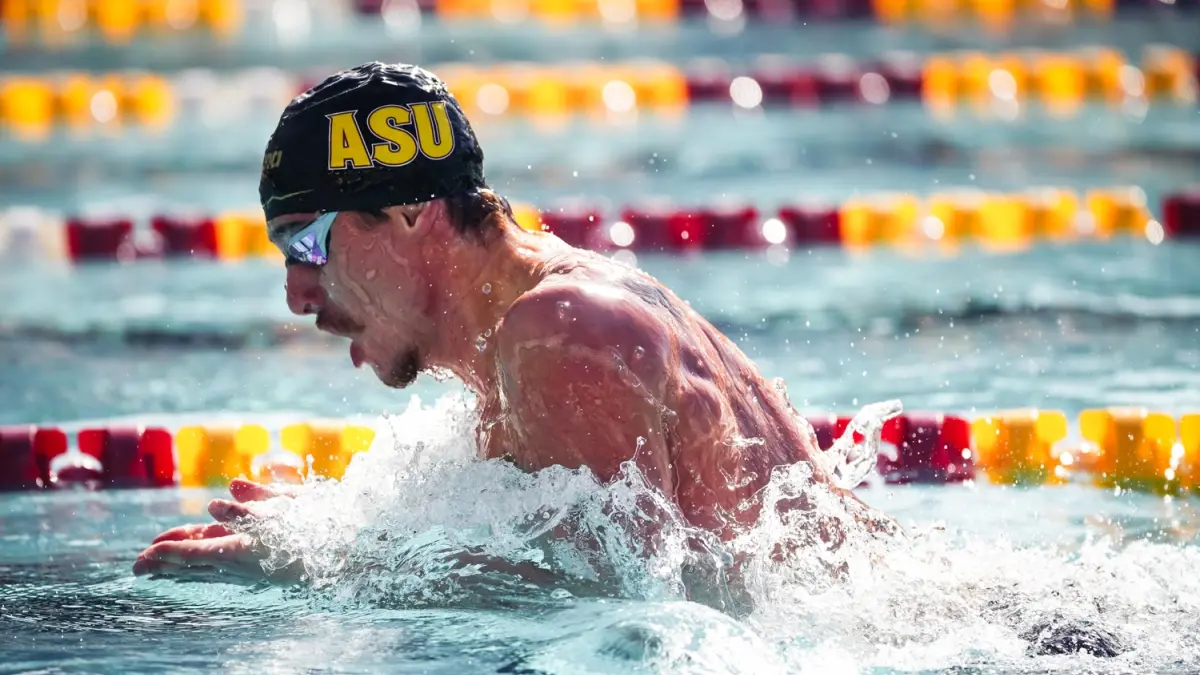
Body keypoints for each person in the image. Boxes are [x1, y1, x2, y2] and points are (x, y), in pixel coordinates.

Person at [133, 61, 895, 581]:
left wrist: (321, 564)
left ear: (406, 211)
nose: (297, 293)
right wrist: (341, 529)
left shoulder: (564, 330)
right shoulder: (541, 324)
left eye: (304, 242)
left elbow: (625, 605)